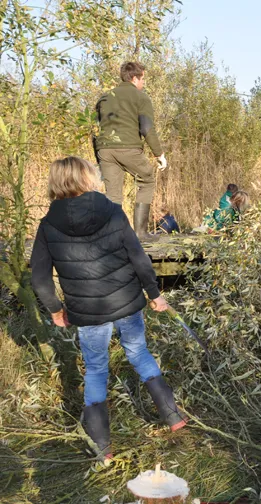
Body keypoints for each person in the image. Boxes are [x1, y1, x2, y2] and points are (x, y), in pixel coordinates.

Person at [30, 157, 187, 462]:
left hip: (88, 313)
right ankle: (173, 417)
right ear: (87, 178)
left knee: (97, 370)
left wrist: (54, 309)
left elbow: (39, 278)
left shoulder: (48, 225)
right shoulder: (112, 211)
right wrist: (155, 294)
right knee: (139, 354)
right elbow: (139, 258)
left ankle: (102, 449)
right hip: (127, 302)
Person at [95, 62, 167, 240]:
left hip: (104, 149)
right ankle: (141, 233)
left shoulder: (104, 97)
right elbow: (147, 128)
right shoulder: (140, 97)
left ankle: (113, 235)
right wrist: (159, 154)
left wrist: (99, 155)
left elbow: (94, 129)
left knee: (113, 193)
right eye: (142, 79)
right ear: (134, 78)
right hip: (128, 147)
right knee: (147, 180)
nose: (143, 83)